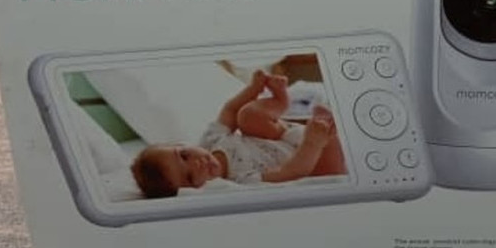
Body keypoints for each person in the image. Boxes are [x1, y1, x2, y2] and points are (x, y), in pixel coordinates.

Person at [130, 70, 346, 198]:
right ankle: (327, 131)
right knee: (326, 174)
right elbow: (291, 173)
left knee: (246, 115)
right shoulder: (239, 181)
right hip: (311, 160)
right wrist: (313, 143)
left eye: (184, 155)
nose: (197, 164)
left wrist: (254, 88)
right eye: (190, 177)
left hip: (286, 137)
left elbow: (230, 110)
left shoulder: (210, 141)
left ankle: (280, 101)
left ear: (181, 143)